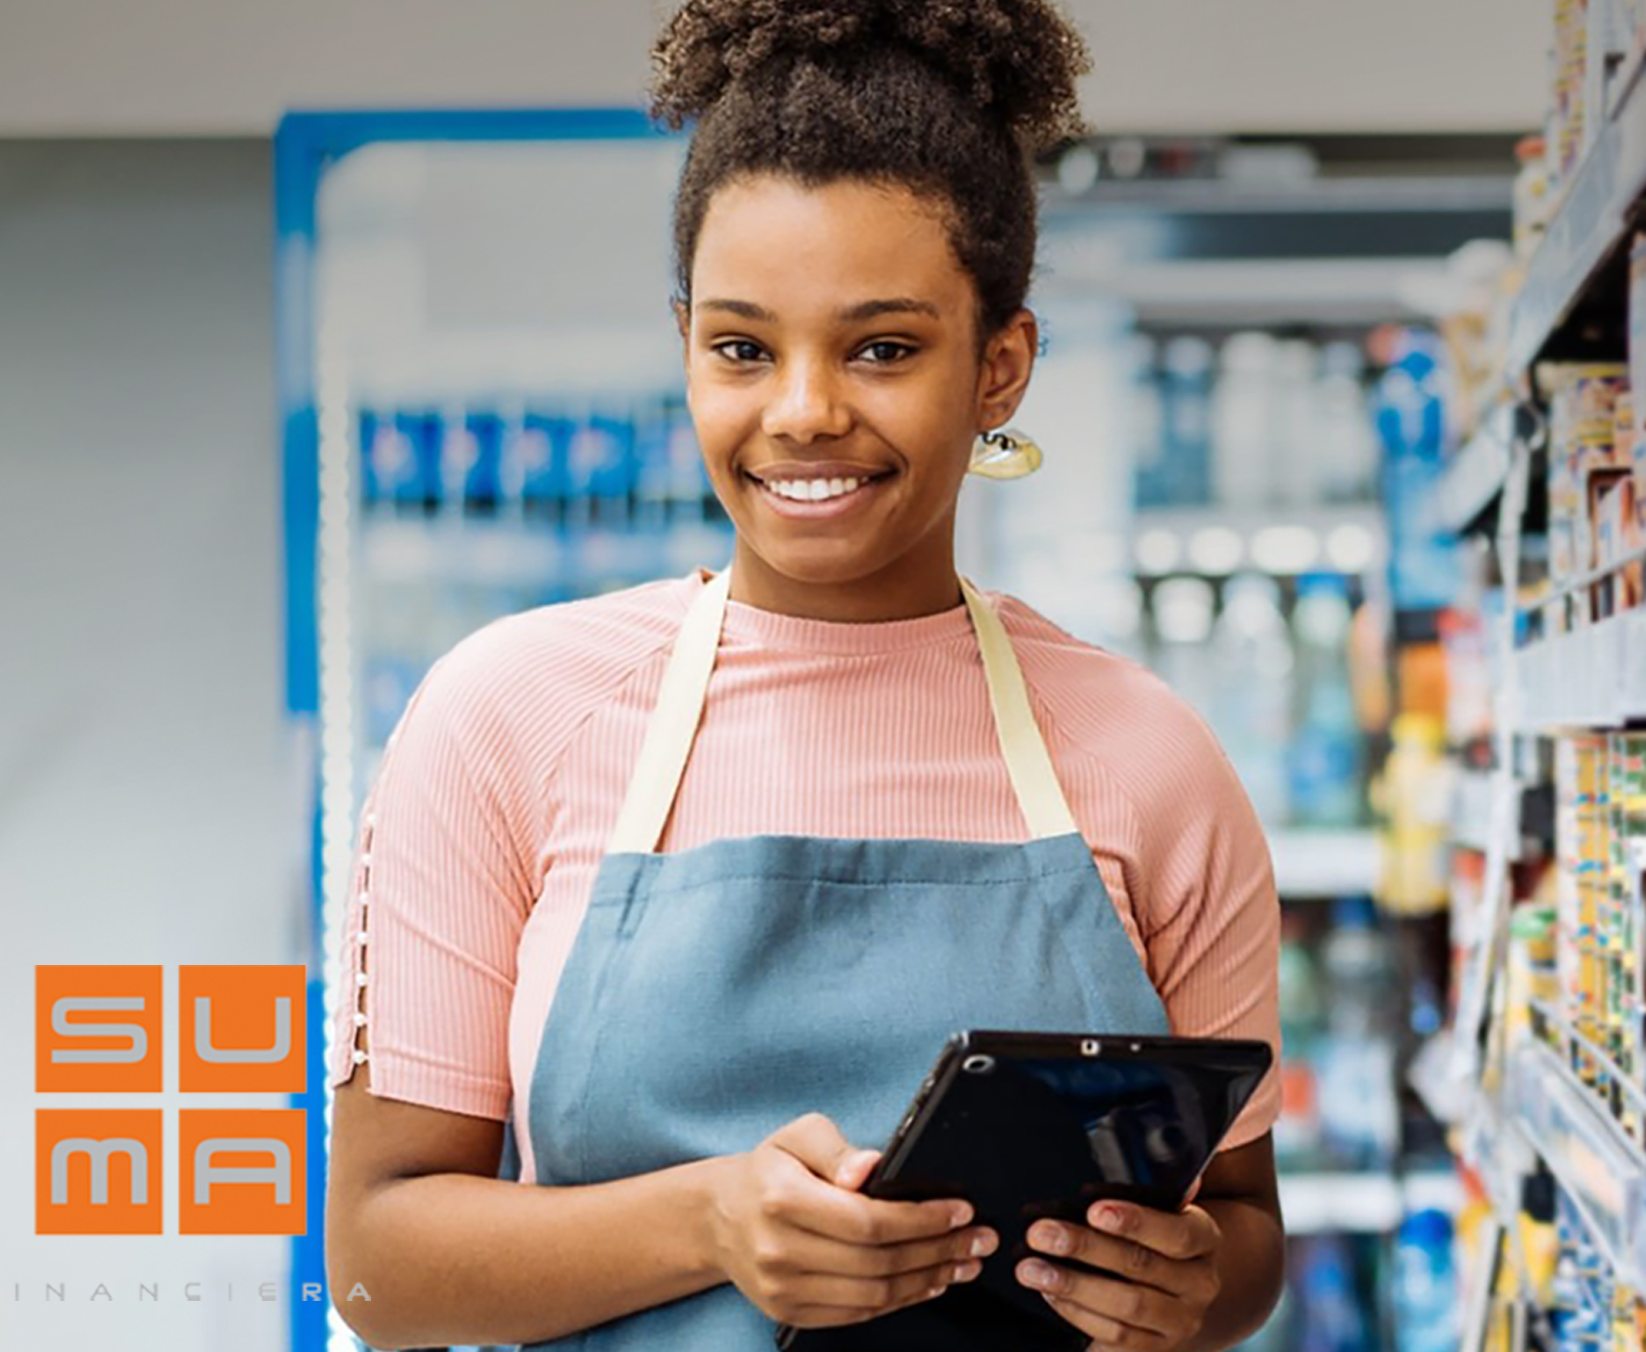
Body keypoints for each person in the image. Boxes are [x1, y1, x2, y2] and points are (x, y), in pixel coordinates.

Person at [320, 2, 1284, 1347]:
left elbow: (1242, 1230)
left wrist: (1189, 1284)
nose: (802, 410)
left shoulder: (1151, 757)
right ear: (686, 350)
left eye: (883, 346)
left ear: (999, 365)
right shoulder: (507, 716)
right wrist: (711, 1222)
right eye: (741, 347)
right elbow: (375, 1268)